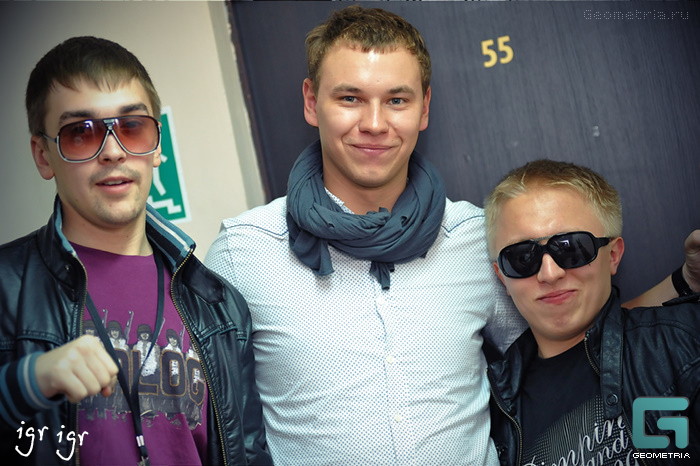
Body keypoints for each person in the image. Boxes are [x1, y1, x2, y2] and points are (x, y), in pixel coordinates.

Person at [205, 5, 699, 464]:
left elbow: (576, 337)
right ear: (312, 102)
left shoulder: (476, 238)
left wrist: (683, 283)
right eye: (350, 98)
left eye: (397, 100)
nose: (374, 124)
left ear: (424, 108)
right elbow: (210, 421)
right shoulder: (244, 253)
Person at [0, 36, 271, 465]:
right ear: (43, 156)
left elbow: (249, 453)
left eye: (132, 127)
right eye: (80, 133)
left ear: (156, 145)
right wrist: (26, 383)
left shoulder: (219, 307)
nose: (112, 151)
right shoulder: (7, 289)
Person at [484, 160, 699, 465]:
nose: (549, 273)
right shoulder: (489, 411)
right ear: (502, 277)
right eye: (522, 258)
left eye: (571, 248)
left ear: (613, 255)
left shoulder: (684, 344)